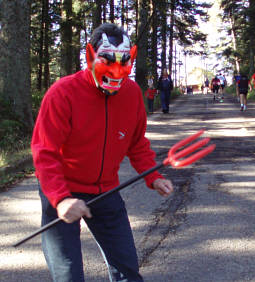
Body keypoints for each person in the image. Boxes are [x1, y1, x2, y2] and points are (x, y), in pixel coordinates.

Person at [31, 23, 174, 282]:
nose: (117, 70)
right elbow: (45, 152)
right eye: (107, 61)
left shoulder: (132, 94)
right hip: (63, 190)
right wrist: (61, 198)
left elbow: (136, 142)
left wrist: (153, 177)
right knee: (68, 275)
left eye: (125, 61)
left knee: (128, 271)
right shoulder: (63, 93)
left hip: (106, 191)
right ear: (89, 55)